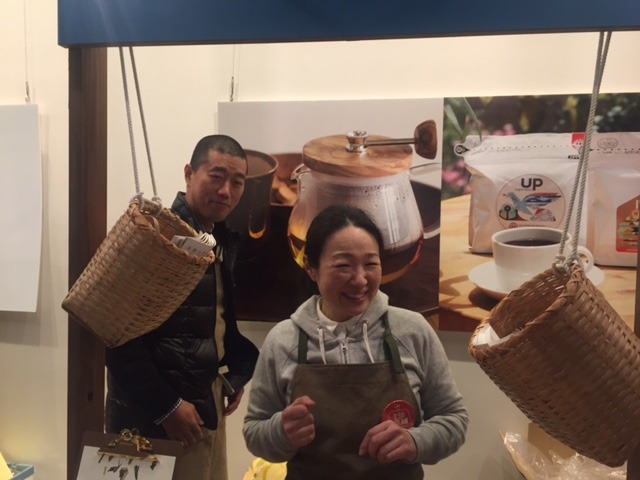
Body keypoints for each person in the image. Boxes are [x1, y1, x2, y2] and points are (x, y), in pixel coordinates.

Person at [243, 204, 469, 480]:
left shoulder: (412, 330)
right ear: (311, 268)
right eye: (343, 266)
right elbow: (254, 431)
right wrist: (281, 432)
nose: (360, 279)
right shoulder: (283, 340)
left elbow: (453, 418)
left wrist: (416, 441)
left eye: (371, 264)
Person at [106, 134, 259, 480]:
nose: (226, 191)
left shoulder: (219, 238)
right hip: (154, 418)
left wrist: (230, 377)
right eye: (216, 177)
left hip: (203, 406)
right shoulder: (155, 235)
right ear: (189, 174)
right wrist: (166, 406)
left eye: (237, 182)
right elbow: (116, 338)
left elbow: (210, 324)